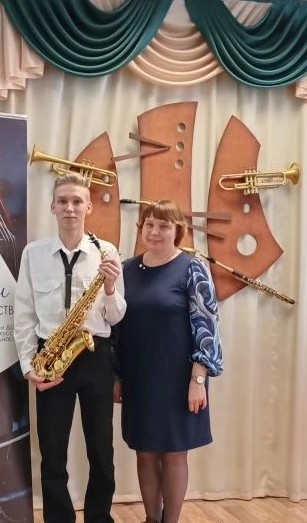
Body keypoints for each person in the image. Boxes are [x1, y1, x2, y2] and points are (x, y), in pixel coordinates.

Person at [14, 173, 126, 523]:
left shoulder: (106, 251)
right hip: (51, 357)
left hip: (96, 356)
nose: (70, 208)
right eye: (63, 201)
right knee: (52, 453)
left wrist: (110, 288)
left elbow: (116, 315)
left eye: (77, 201)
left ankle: (99, 517)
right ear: (52, 207)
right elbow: (24, 314)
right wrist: (29, 366)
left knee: (101, 450)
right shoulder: (33, 253)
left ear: (89, 207)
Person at [113, 199, 223, 523]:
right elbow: (116, 328)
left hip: (179, 379)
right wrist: (116, 376)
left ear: (178, 231)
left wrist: (198, 380)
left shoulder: (192, 268)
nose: (155, 231)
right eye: (149, 224)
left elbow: (207, 326)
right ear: (141, 228)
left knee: (174, 453)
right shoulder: (126, 269)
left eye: (164, 226)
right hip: (139, 378)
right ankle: (151, 519)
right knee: (145, 453)